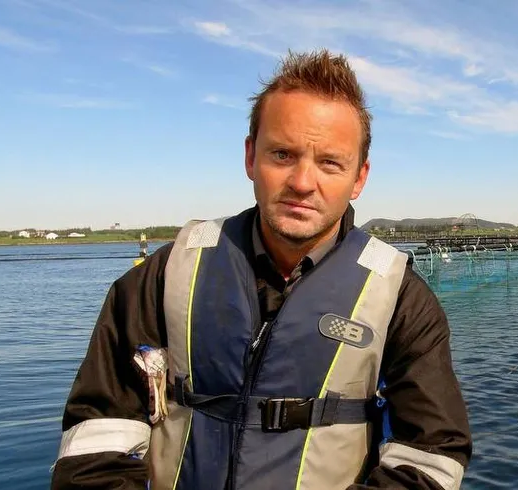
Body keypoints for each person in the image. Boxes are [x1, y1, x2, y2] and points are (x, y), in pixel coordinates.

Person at [51, 49, 472, 490]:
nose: (303, 183)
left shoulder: (398, 295)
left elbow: (430, 456)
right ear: (251, 157)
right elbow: (96, 439)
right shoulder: (167, 273)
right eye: (283, 154)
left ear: (359, 178)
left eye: (330, 163)